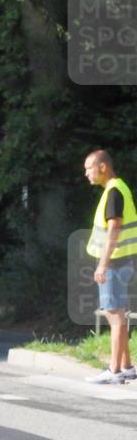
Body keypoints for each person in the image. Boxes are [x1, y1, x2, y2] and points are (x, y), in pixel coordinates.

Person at [83, 150, 136, 384]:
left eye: (89, 168)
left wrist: (102, 265)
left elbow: (114, 228)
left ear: (103, 167)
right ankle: (126, 366)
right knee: (118, 314)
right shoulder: (119, 187)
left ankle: (114, 371)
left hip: (114, 262)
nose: (86, 174)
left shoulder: (113, 191)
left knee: (114, 316)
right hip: (124, 260)